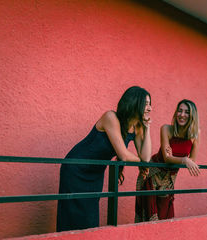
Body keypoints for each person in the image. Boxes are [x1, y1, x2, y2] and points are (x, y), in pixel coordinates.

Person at [57, 86, 152, 232]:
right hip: (76, 168)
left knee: (89, 217)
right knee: (70, 216)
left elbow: (145, 157)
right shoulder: (110, 117)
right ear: (134, 102)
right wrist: (141, 162)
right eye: (145, 104)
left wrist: (147, 128)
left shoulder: (137, 127)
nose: (149, 108)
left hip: (95, 173)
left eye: (150, 104)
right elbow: (124, 155)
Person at [135, 99, 200, 222]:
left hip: (169, 179)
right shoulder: (166, 129)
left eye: (186, 112)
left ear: (192, 116)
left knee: (165, 216)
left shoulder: (195, 135)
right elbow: (166, 158)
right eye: (179, 111)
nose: (182, 114)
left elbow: (192, 160)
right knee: (150, 217)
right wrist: (183, 159)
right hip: (152, 174)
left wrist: (180, 159)